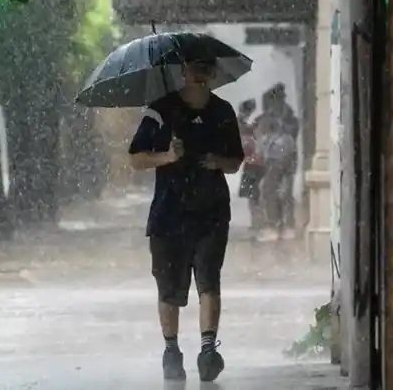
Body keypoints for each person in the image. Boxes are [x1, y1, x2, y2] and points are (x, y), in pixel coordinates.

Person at [128, 58, 245, 382]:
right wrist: (167, 156)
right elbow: (136, 158)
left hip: (211, 212)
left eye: (205, 69)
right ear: (183, 71)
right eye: (194, 68)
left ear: (212, 72)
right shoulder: (161, 111)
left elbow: (236, 162)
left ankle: (208, 350)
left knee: (209, 279)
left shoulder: (223, 112)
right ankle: (172, 350)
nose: (200, 75)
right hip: (169, 213)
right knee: (169, 287)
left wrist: (216, 161)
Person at [254, 84, 299, 242]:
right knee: (285, 191)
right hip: (290, 155)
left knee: (269, 190)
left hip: (277, 156)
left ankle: (274, 226)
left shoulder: (271, 116)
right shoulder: (289, 115)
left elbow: (262, 137)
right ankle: (288, 226)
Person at [236, 99, 265, 233]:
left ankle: (258, 223)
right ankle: (257, 223)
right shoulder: (245, 126)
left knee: (255, 196)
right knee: (254, 196)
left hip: (255, 164)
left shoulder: (250, 127)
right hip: (253, 164)